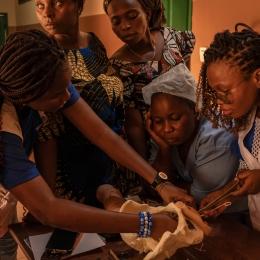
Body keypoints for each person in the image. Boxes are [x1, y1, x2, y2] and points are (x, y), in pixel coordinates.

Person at [0, 29, 178, 259]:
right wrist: (146, 223)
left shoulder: (52, 82)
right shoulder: (5, 132)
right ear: (27, 95)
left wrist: (159, 182)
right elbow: (48, 209)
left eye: (67, 87)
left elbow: (102, 135)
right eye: (58, 94)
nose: (67, 97)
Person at [34, 0, 124, 207]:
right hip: (72, 168)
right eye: (39, 5)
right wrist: (50, 194)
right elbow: (46, 130)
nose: (47, 14)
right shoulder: (44, 55)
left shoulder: (93, 42)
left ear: (79, 6)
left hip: (113, 156)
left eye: (57, 3)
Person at [103, 0, 195, 194]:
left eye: (132, 16)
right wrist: (147, 173)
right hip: (153, 145)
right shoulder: (118, 67)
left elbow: (187, 84)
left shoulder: (173, 38)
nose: (125, 26)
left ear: (146, 11)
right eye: (116, 21)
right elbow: (134, 125)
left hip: (186, 135)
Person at [142, 63, 239, 205]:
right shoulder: (162, 137)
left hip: (234, 216)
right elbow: (152, 187)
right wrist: (164, 150)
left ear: (195, 110)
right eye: (158, 121)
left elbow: (201, 199)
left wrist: (167, 186)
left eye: (175, 118)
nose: (167, 128)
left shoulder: (216, 136)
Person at [196, 23, 260, 230]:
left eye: (225, 91)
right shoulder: (246, 121)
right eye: (214, 93)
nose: (219, 100)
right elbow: (248, 175)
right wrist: (224, 196)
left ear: (257, 77)